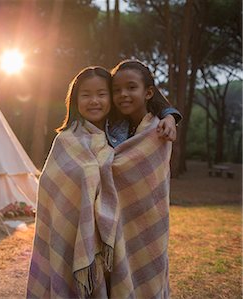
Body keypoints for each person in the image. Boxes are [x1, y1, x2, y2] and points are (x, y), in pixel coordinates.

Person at [27, 65, 175, 298]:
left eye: (102, 94)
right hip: (76, 232)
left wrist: (169, 114)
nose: (94, 101)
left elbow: (136, 169)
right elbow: (51, 188)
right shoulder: (66, 140)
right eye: (86, 95)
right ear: (75, 100)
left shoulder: (137, 133)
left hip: (127, 231)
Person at [106, 59, 173, 298]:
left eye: (131, 87)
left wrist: (170, 115)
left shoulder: (159, 131)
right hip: (112, 221)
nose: (123, 94)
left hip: (148, 221)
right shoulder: (109, 126)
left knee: (147, 276)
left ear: (148, 93)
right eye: (116, 90)